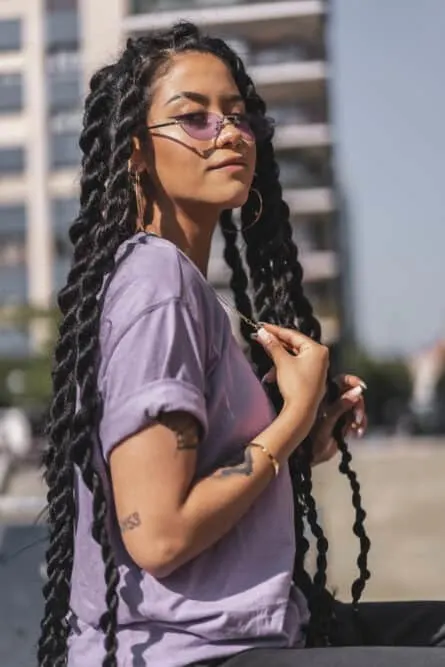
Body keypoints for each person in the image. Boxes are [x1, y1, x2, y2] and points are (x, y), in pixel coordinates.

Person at [38, 22, 445, 667]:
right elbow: (161, 535)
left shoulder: (182, 285)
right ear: (135, 152)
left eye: (237, 115)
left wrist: (307, 430)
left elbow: (194, 489)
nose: (228, 132)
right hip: (191, 653)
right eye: (192, 118)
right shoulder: (157, 283)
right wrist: (288, 421)